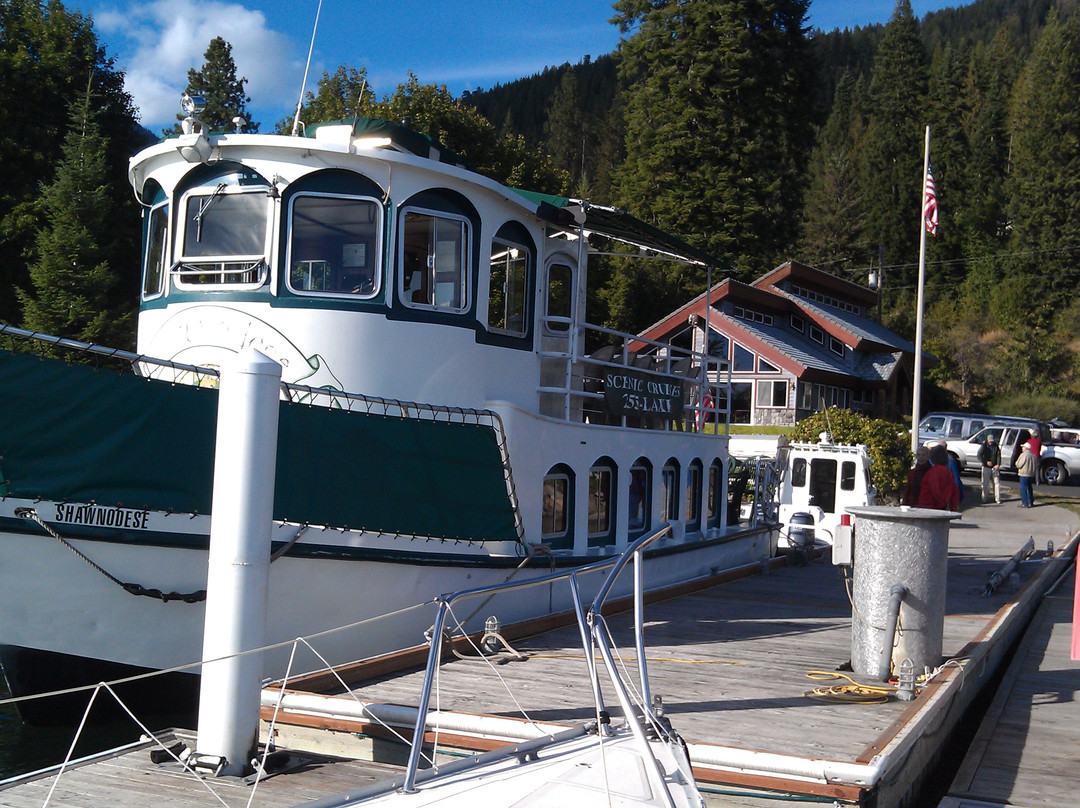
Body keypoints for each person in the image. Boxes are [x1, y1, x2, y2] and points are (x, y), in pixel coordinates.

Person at [918, 444, 960, 511]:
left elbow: (935, 489)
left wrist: (941, 503)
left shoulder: (933, 471)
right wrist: (953, 506)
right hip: (943, 506)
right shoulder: (948, 471)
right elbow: (954, 490)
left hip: (930, 506)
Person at [977, 432, 1001, 504]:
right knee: (985, 484)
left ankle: (997, 498)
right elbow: (979, 455)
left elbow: (998, 455)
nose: (991, 442)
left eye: (992, 441)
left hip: (994, 467)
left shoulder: (996, 446)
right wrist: (985, 462)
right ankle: (984, 498)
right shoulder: (984, 446)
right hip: (986, 467)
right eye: (990, 441)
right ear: (987, 440)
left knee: (997, 483)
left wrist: (998, 464)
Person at [1016, 441, 1037, 508]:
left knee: (1023, 489)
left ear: (1026, 448)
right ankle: (1031, 502)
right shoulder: (1033, 455)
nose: (1022, 448)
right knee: (1030, 488)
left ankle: (1025, 503)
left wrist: (1017, 463)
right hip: (1031, 474)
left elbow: (1019, 465)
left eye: (1023, 447)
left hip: (1024, 474)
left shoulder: (1023, 455)